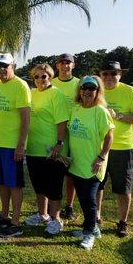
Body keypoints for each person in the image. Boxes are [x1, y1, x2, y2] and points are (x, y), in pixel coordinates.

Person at [0, 53, 31, 238]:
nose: (2, 69)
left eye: (5, 66)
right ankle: (4, 216)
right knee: (2, 182)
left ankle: (16, 223)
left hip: (13, 146)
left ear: (13, 66)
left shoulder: (20, 86)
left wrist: (21, 145)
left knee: (15, 184)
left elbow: (26, 118)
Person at [98, 60, 133, 237]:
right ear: (101, 75)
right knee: (97, 185)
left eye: (114, 73)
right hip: (98, 147)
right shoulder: (96, 90)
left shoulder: (129, 91)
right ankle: (96, 218)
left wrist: (118, 115)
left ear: (120, 74)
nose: (110, 77)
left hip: (123, 148)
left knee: (123, 188)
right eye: (106, 73)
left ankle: (123, 222)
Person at [68, 76, 114, 250]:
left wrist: (101, 157)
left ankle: (89, 234)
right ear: (79, 91)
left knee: (89, 200)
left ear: (97, 92)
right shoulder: (76, 109)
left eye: (91, 88)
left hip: (93, 165)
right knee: (83, 198)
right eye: (84, 88)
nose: (87, 91)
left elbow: (110, 136)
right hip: (77, 164)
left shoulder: (100, 111)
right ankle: (92, 228)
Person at [25, 63, 69, 236]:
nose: (40, 79)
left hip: (51, 150)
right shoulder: (32, 94)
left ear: (50, 76)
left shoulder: (56, 94)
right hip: (33, 148)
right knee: (39, 185)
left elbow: (62, 121)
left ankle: (56, 219)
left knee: (54, 185)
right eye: (36, 76)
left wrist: (59, 143)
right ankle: (42, 214)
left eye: (43, 76)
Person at [53, 53, 81, 222]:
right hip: (56, 132)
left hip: (75, 133)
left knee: (72, 173)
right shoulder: (51, 83)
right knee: (55, 171)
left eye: (68, 63)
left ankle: (69, 206)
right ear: (57, 66)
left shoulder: (79, 84)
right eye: (62, 63)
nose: (65, 66)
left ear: (73, 65)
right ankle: (52, 206)